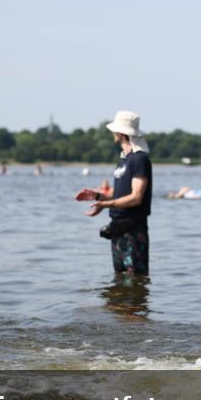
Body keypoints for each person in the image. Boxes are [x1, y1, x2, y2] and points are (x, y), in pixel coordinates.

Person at [75, 110, 153, 276]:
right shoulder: (124, 160)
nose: (112, 133)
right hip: (118, 228)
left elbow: (136, 198)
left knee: (135, 280)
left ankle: (136, 303)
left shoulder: (140, 159)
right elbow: (120, 195)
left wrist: (105, 204)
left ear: (121, 133)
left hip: (134, 229)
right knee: (119, 281)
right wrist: (98, 196)